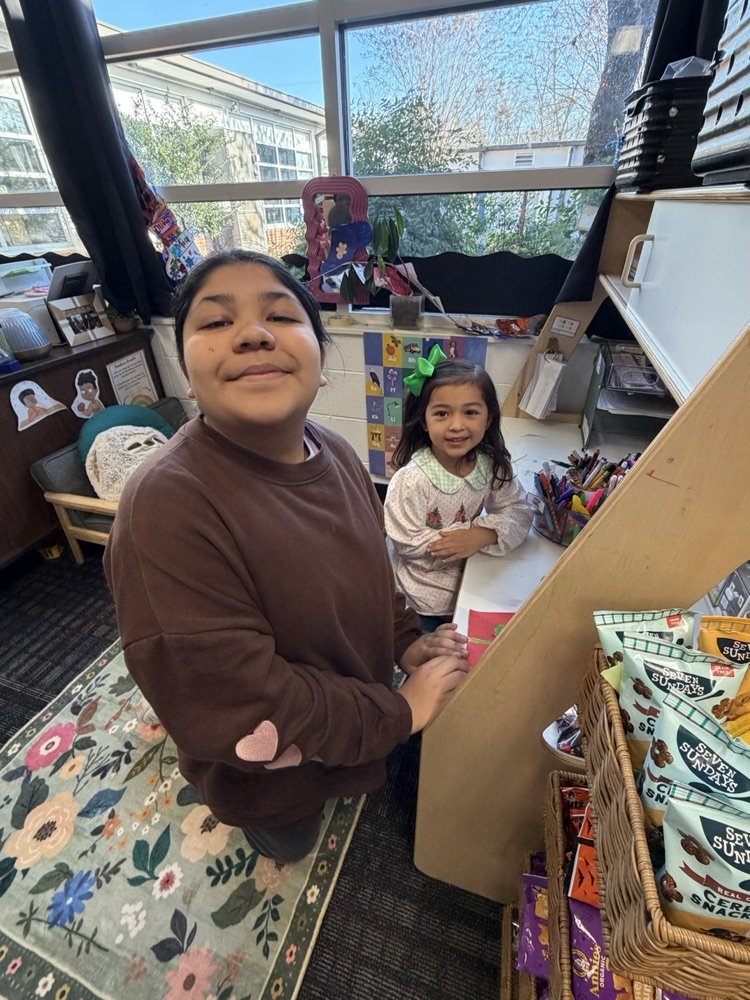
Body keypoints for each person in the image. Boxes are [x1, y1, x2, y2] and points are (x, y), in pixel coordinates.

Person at [104, 249, 470, 865]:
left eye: (281, 315)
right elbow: (238, 695)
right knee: (289, 839)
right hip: (270, 771)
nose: (252, 334)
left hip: (350, 709)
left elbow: (369, 569)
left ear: (321, 360)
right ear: (186, 375)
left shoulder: (336, 451)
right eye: (216, 323)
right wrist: (398, 713)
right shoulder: (165, 507)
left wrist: (406, 639)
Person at [384, 347, 534, 632]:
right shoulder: (412, 479)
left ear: (488, 419)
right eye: (442, 413)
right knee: (432, 652)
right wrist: (458, 542)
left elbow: (519, 508)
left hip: (472, 576)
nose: (457, 425)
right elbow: (405, 539)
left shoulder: (490, 465)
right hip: (419, 593)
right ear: (424, 422)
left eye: (471, 412)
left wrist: (482, 534)